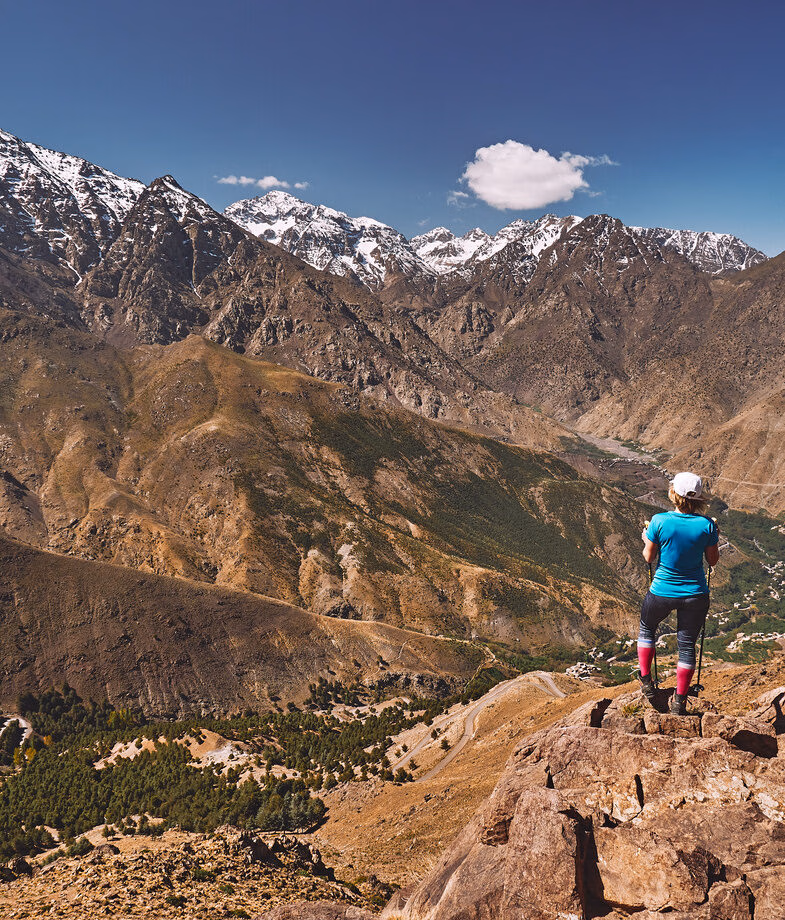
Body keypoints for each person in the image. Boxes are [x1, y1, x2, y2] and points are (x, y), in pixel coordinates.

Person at [637, 472, 720, 715]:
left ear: (673, 493)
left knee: (646, 628)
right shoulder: (707, 525)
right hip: (695, 593)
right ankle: (680, 700)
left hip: (662, 590)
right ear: (699, 499)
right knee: (686, 645)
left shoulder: (659, 521)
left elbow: (649, 557)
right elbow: (712, 561)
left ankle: (646, 682)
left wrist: (646, 538)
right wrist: (713, 535)